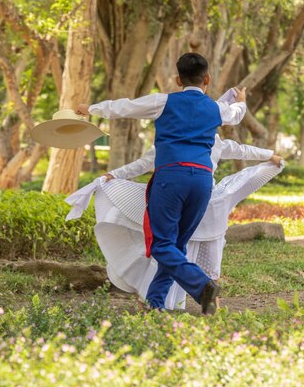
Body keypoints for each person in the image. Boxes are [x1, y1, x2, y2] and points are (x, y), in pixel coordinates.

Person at [75, 53, 246, 314]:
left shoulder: (163, 102)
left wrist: (90, 109)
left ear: (178, 79)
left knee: (161, 245)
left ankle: (202, 286)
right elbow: (235, 114)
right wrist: (241, 102)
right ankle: (155, 305)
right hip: (202, 181)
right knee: (175, 246)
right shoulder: (216, 109)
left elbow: (124, 107)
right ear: (207, 79)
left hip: (171, 178)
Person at [90, 135, 285, 310]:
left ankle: (169, 297)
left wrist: (116, 174)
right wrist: (269, 155)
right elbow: (240, 148)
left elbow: (144, 163)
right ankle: (169, 300)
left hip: (186, 203)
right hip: (204, 205)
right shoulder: (208, 138)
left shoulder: (175, 137)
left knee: (166, 250)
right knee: (179, 252)